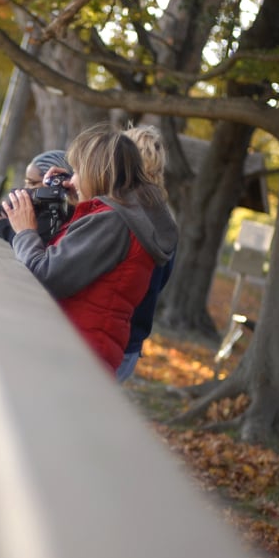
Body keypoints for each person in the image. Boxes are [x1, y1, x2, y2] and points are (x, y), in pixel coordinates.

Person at [0, 123, 179, 373]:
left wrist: (25, 231)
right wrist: (79, 200)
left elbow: (46, 275)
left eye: (77, 171)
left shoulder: (112, 222)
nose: (71, 179)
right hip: (87, 348)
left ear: (96, 173)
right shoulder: (128, 216)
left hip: (78, 354)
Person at [116, 124, 176, 382]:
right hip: (131, 341)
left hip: (109, 336)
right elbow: (161, 281)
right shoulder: (164, 219)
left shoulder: (119, 212)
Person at [0, 150, 73, 243]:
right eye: (26, 182)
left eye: (32, 183)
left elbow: (35, 245)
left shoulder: (61, 216)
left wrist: (1, 226)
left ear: (57, 183)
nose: (26, 188)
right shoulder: (40, 208)